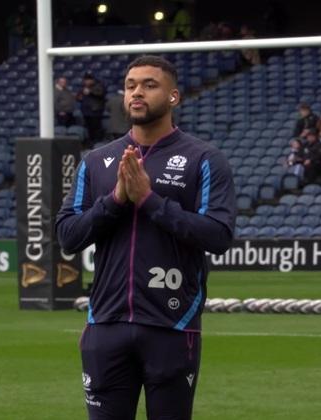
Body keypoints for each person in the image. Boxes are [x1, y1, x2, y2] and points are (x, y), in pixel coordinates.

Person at [56, 55, 236, 420]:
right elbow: (68, 236)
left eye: (149, 85)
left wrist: (150, 201)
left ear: (174, 97)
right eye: (131, 85)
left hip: (172, 325)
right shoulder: (96, 161)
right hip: (105, 326)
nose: (137, 92)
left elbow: (218, 235)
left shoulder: (204, 158)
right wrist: (117, 200)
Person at [77, 73, 106, 147]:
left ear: (92, 80)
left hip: (95, 111)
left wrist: (90, 92)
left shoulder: (98, 85)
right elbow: (79, 96)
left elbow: (101, 93)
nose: (87, 82)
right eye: (85, 80)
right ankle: (90, 143)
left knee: (96, 129)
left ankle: (97, 144)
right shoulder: (83, 87)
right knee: (89, 129)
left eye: (88, 80)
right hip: (86, 112)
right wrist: (79, 97)